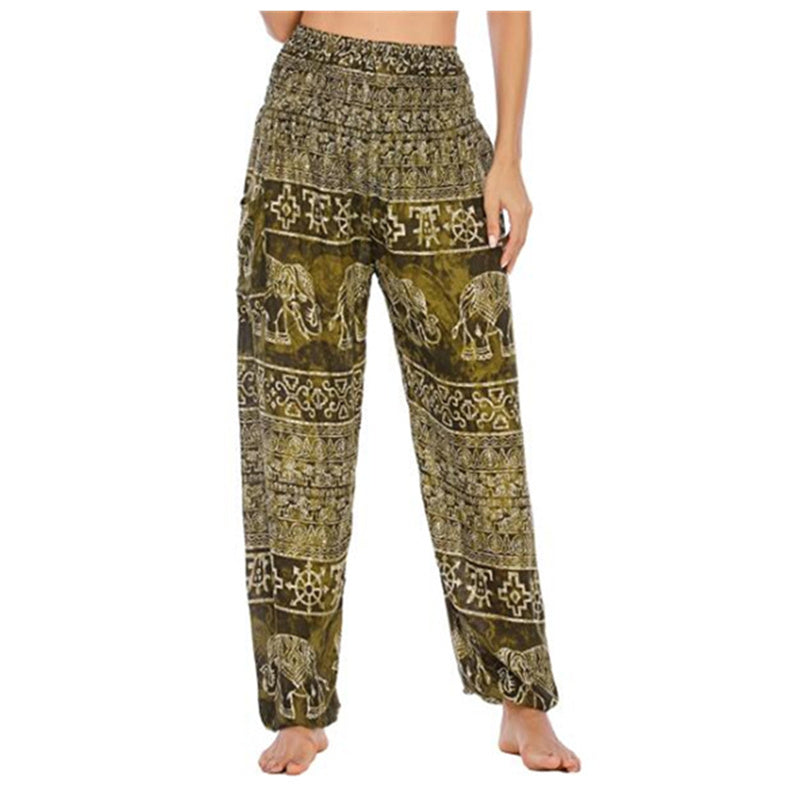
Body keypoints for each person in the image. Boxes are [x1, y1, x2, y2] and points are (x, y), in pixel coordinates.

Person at [235, 10, 581, 775]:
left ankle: (521, 699)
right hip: (306, 124)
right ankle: (298, 708)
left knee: (479, 428)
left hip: (439, 126)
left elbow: (509, 9)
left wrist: (510, 156)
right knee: (295, 436)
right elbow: (281, 23)